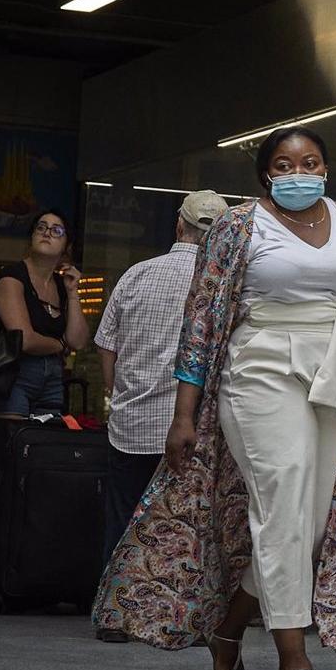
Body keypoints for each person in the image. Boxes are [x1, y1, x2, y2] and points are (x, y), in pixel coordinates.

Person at [93, 126, 336, 670]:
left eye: (310, 162)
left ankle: (231, 624)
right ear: (267, 174)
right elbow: (202, 321)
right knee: (283, 499)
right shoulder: (239, 227)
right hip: (258, 369)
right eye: (285, 165)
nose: (299, 173)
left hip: (332, 370)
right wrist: (183, 415)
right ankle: (293, 659)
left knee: (311, 527)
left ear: (326, 168)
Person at [91, 190, 227, 641]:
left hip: (132, 425)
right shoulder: (224, 285)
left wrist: (121, 393)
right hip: (194, 432)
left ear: (178, 225)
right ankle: (179, 620)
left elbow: (106, 346)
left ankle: (116, 618)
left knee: (122, 519)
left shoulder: (136, 275)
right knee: (188, 528)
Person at [0, 210, 89, 551]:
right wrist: (60, 345)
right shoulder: (12, 279)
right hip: (10, 378)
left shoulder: (61, 288)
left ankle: (19, 562)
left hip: (50, 381)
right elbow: (23, 338)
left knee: (37, 472)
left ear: (67, 247)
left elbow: (79, 340)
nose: (47, 233)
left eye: (57, 229)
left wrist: (75, 292)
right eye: (41, 227)